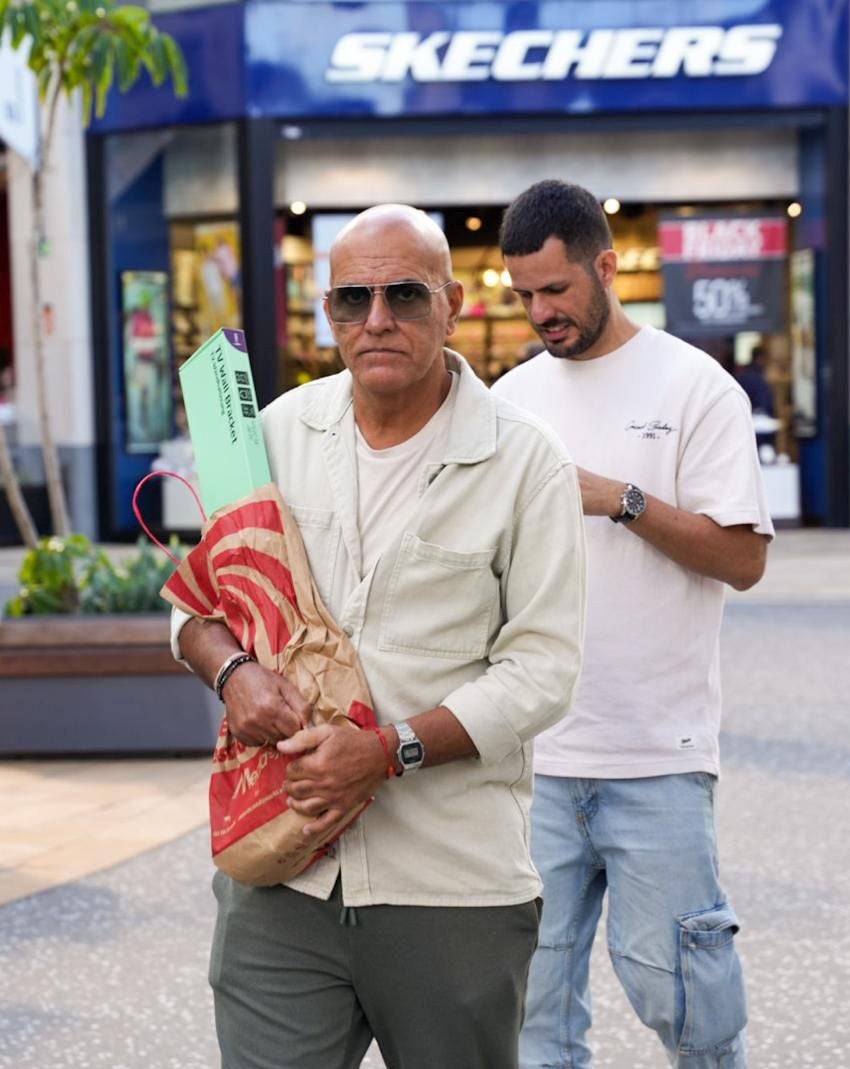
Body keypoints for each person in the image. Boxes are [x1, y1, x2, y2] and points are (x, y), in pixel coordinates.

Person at [174, 204, 588, 1069]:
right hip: (280, 872)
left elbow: (543, 669)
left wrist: (388, 750)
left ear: (453, 303)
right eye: (351, 299)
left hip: (448, 884)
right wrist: (236, 673)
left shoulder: (524, 460)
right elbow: (195, 609)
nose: (377, 320)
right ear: (327, 312)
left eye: (404, 293)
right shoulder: (277, 433)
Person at [494, 179, 773, 1069]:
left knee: (689, 1005)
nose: (542, 311)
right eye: (525, 294)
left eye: (557, 289)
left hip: (659, 754)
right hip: (534, 761)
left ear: (606, 267)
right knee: (531, 1017)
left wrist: (616, 497)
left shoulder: (696, 387)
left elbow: (743, 558)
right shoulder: (507, 399)